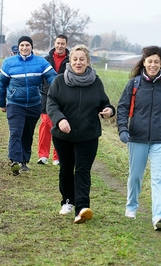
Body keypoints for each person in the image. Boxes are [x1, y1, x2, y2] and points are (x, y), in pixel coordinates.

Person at [116, 45, 161, 231]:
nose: (153, 65)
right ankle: (131, 207)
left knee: (158, 178)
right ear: (144, 62)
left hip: (160, 139)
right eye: (150, 61)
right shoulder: (134, 84)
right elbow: (122, 108)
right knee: (136, 176)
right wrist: (122, 129)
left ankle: (159, 216)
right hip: (137, 137)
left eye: (157, 62)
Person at [47, 44, 115, 224]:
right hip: (63, 135)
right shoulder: (60, 81)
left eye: (82, 59)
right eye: (75, 59)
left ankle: (82, 208)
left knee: (83, 170)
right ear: (70, 61)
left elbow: (104, 103)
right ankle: (67, 201)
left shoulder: (95, 81)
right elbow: (51, 103)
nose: (78, 62)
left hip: (88, 135)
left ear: (88, 62)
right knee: (66, 168)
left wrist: (109, 110)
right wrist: (60, 119)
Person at [0, 36, 58, 176]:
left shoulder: (40, 62)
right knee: (16, 132)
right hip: (15, 104)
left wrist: (59, 89)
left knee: (27, 134)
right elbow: (2, 85)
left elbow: (52, 77)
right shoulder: (9, 63)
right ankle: (15, 161)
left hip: (34, 105)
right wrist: (1, 102)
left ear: (31, 47)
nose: (24, 48)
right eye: (22, 45)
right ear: (18, 47)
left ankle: (24, 161)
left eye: (27, 45)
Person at [37, 34, 70, 166]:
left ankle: (58, 157)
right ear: (54, 44)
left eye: (62, 43)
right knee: (45, 124)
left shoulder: (70, 61)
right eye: (58, 43)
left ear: (66, 45)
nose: (60, 46)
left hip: (64, 97)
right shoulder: (45, 60)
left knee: (60, 125)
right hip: (46, 95)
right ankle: (43, 155)